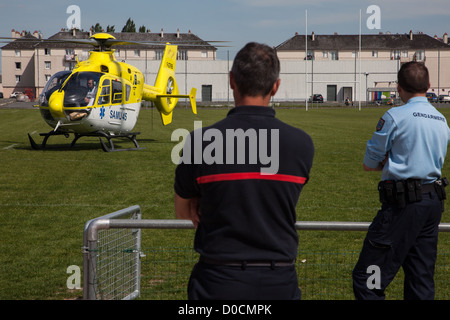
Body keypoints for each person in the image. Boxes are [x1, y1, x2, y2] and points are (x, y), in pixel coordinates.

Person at [173, 42, 314, 300]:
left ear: (231, 81)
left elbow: (183, 211)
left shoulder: (199, 142)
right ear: (275, 86)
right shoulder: (301, 144)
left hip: (217, 281)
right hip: (279, 280)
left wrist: (200, 200)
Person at [352, 61, 450, 300]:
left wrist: (390, 162)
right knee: (420, 279)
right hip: (432, 203)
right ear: (428, 85)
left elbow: (369, 162)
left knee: (368, 280)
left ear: (398, 87)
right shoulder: (441, 120)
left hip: (403, 205)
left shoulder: (394, 116)